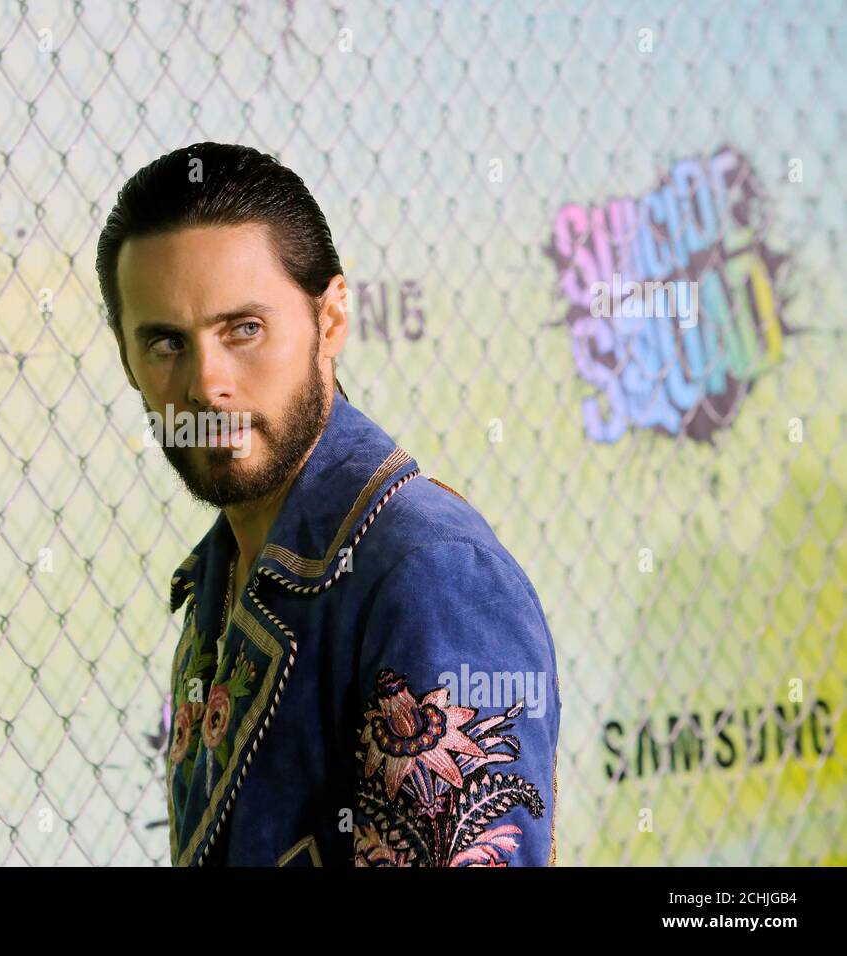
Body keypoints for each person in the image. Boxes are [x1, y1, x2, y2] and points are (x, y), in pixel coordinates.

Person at [96, 142, 561, 867]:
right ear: (128, 360)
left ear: (332, 319)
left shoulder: (429, 574)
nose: (206, 383)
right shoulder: (221, 573)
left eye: (243, 329)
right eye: (165, 343)